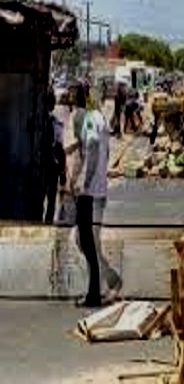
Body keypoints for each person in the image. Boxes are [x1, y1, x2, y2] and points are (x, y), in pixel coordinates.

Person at [71, 83, 122, 307]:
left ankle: (100, 288)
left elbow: (91, 148)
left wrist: (86, 181)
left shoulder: (91, 119)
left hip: (90, 192)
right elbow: (104, 151)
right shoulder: (100, 119)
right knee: (87, 240)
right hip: (98, 190)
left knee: (85, 240)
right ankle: (106, 281)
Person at [43, 87, 66, 224]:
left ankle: (41, 222)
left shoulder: (52, 122)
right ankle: (47, 224)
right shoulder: (56, 123)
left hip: (46, 165)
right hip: (52, 166)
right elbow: (60, 147)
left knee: (46, 198)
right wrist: (62, 170)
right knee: (51, 198)